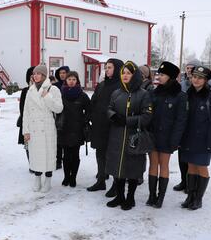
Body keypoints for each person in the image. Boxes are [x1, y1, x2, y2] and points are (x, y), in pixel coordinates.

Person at [105, 61, 152, 210]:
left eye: (129, 73)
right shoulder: (117, 92)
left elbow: (147, 116)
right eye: (123, 72)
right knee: (117, 168)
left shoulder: (143, 94)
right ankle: (119, 196)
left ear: (135, 75)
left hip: (133, 137)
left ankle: (130, 198)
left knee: (132, 169)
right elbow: (109, 108)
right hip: (117, 135)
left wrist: (128, 120)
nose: (125, 75)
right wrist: (112, 116)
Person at [179, 66, 211, 210]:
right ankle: (190, 196)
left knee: (202, 167)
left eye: (200, 78)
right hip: (188, 138)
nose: (196, 80)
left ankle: (198, 199)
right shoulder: (187, 95)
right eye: (194, 77)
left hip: (204, 140)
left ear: (206, 80)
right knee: (191, 166)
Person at [146, 62, 188, 208]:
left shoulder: (180, 96)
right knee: (152, 164)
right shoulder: (154, 92)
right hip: (153, 135)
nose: (159, 77)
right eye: (158, 74)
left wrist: (175, 140)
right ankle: (151, 196)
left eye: (162, 75)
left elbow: (181, 121)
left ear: (171, 77)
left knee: (163, 165)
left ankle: (160, 198)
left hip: (168, 137)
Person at [23, 64, 63, 193]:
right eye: (34, 74)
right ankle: (37, 178)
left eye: (38, 73)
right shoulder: (30, 90)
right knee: (36, 155)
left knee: (49, 155)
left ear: (44, 75)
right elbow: (26, 112)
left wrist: (47, 96)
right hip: (34, 128)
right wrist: (26, 131)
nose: (35, 76)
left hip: (47, 128)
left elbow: (58, 108)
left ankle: (48, 180)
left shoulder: (53, 89)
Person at [87, 59, 123, 194]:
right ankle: (101, 180)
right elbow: (93, 101)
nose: (106, 70)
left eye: (109, 67)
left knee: (113, 156)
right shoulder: (101, 85)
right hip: (99, 125)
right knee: (100, 153)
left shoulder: (121, 86)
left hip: (113, 127)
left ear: (117, 69)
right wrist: (91, 116)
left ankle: (116, 184)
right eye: (106, 67)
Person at [57, 71, 90, 187]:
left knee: (75, 155)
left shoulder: (82, 95)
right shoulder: (60, 94)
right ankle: (66, 177)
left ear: (77, 81)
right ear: (66, 80)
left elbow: (89, 110)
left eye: (74, 79)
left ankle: (73, 178)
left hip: (77, 129)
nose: (71, 81)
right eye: (69, 79)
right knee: (65, 156)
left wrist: (83, 120)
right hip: (64, 129)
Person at [175, 59, 198, 192]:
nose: (189, 70)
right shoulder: (182, 84)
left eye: (192, 68)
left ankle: (192, 184)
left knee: (193, 157)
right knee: (182, 156)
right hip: (183, 125)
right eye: (187, 68)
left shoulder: (207, 85)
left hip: (195, 126)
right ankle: (184, 181)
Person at [17, 66, 35, 173]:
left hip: (40, 122)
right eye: (31, 74)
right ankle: (31, 164)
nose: (33, 76)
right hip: (27, 122)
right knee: (28, 144)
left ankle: (38, 163)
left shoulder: (44, 89)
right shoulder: (25, 91)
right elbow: (22, 108)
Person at [53, 66, 70, 169]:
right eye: (60, 73)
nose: (62, 75)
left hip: (69, 116)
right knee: (58, 141)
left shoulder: (72, 84)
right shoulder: (55, 86)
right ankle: (58, 161)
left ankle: (66, 160)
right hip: (57, 116)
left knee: (67, 141)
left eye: (64, 73)